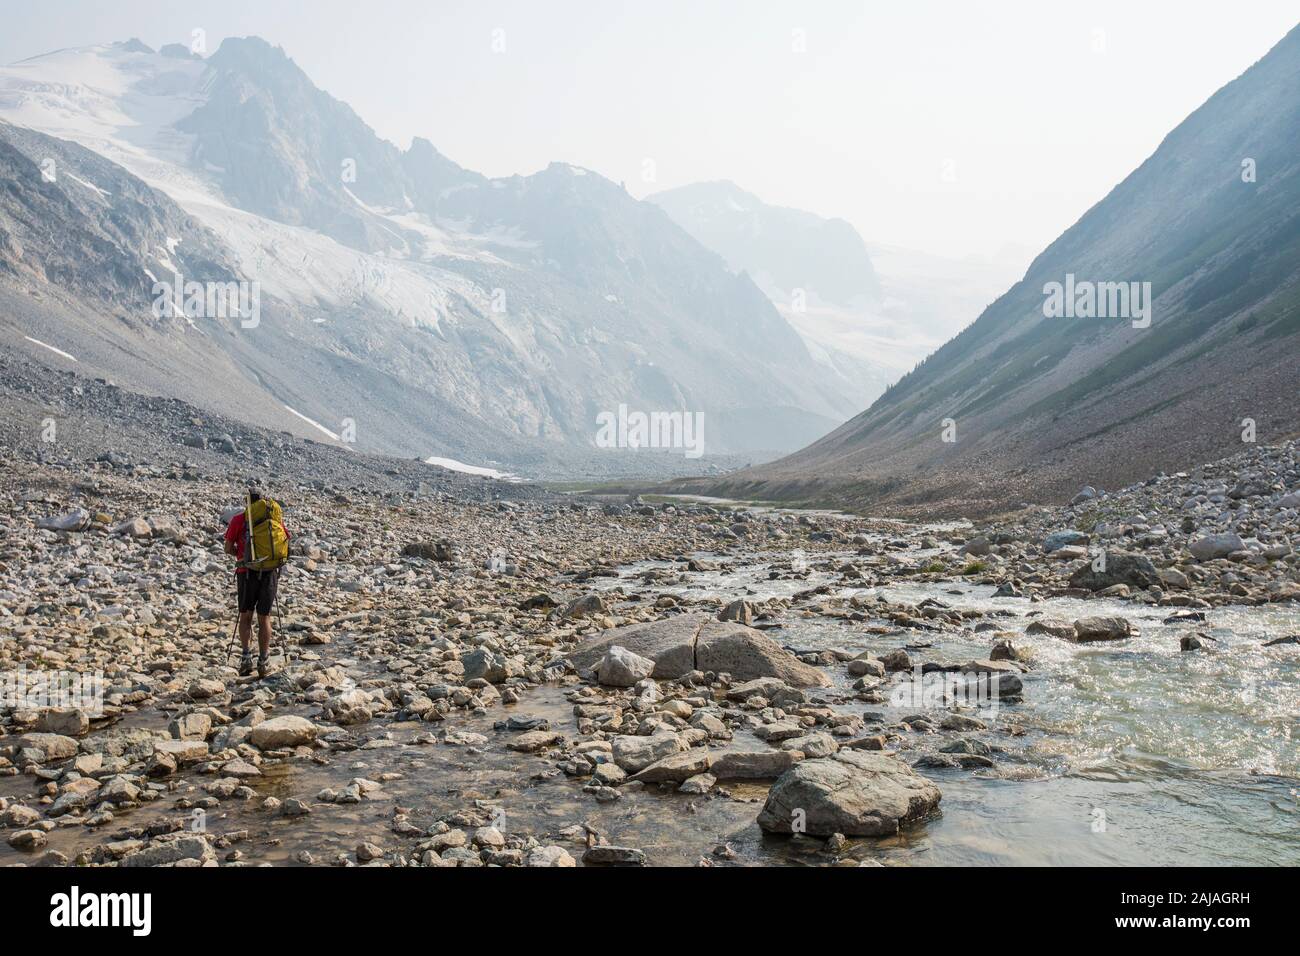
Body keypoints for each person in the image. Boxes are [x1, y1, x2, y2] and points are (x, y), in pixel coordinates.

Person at [224, 483, 290, 678]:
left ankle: (246, 658)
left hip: (246, 571)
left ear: (247, 502)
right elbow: (286, 539)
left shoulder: (239, 519)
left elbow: (228, 548)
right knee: (265, 618)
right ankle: (264, 660)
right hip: (269, 572)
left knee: (245, 616)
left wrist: (241, 555)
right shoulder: (274, 518)